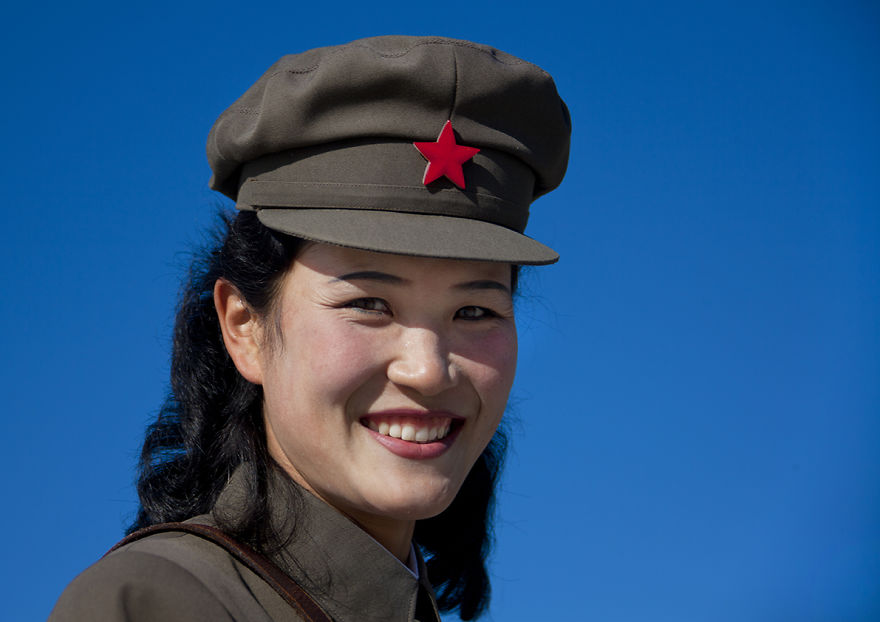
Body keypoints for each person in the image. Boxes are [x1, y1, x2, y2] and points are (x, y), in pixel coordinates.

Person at [49, 35, 570, 622]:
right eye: (370, 304)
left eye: (474, 311)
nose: (427, 370)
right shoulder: (156, 604)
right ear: (243, 326)